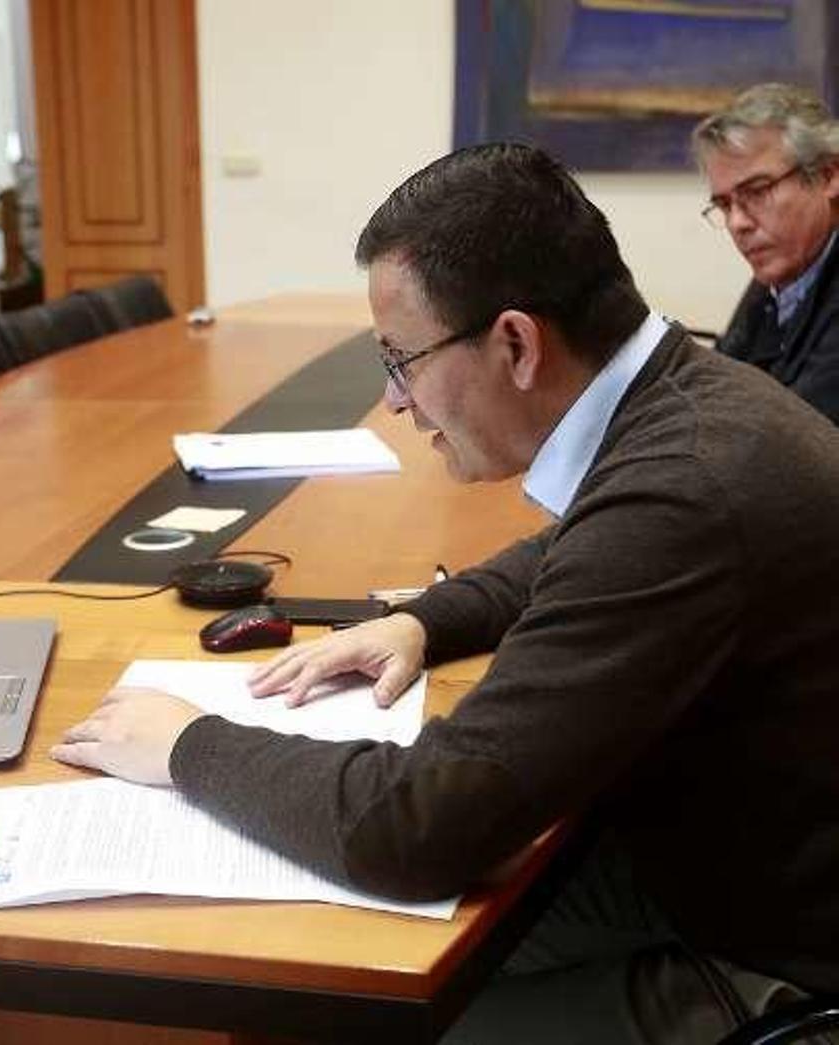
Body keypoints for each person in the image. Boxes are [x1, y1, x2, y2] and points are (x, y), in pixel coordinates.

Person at [52, 143, 839, 1042]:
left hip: (763, 953)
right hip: (706, 849)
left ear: (514, 342)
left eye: (402, 359)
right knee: (335, 954)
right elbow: (574, 550)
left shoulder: (683, 492)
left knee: (321, 1013)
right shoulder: (694, 405)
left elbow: (420, 828)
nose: (396, 401)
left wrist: (188, 744)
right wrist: (423, 619)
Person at [692, 82, 839, 423]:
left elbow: (797, 434)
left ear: (828, 176)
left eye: (757, 192)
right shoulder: (781, 275)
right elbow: (720, 393)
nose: (738, 223)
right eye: (724, 205)